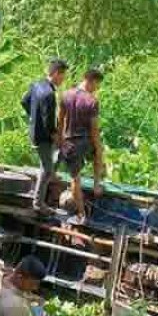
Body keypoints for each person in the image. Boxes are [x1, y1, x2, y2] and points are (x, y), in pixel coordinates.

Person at [59, 68, 106, 224]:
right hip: (85, 141)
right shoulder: (91, 101)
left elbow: (60, 121)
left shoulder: (65, 95)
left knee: (75, 178)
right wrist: (98, 147)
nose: (96, 89)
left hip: (69, 142)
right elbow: (94, 129)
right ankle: (97, 184)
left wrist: (60, 140)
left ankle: (80, 215)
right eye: (96, 85)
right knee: (98, 153)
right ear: (90, 81)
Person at [22, 59, 68, 213]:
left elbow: (24, 101)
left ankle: (48, 179)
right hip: (43, 137)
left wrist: (32, 117)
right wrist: (58, 138)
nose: (63, 79)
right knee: (46, 168)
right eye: (62, 76)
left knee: (51, 160)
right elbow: (49, 124)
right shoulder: (49, 94)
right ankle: (38, 203)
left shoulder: (36, 85)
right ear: (55, 73)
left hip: (35, 131)